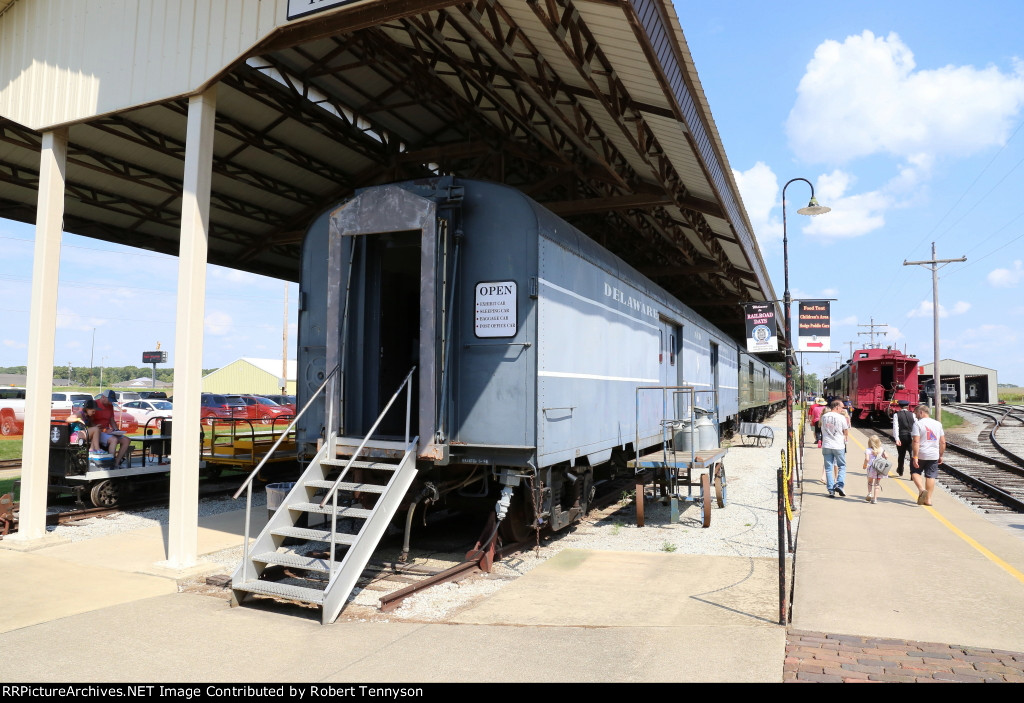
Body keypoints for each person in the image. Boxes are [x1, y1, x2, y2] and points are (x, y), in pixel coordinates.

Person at [911, 405, 945, 506]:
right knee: (930, 476)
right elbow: (943, 442)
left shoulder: (917, 424)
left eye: (917, 413)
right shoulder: (938, 424)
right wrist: (941, 455)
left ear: (921, 412)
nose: (916, 415)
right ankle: (928, 500)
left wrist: (915, 456)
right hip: (934, 455)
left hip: (921, 453)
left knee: (915, 472)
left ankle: (921, 490)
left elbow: (916, 441)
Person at [94, 390, 131, 467]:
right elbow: (91, 423)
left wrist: (116, 430)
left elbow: (111, 420)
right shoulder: (95, 404)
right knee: (114, 439)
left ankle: (117, 462)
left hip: (108, 431)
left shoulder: (110, 406)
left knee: (126, 440)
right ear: (103, 397)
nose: (110, 403)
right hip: (97, 432)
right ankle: (110, 463)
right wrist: (103, 430)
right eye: (109, 400)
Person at [821, 399, 850, 498]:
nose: (842, 409)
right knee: (841, 466)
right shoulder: (841, 418)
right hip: (838, 445)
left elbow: (822, 428)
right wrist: (845, 439)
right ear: (837, 407)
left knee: (828, 468)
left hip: (826, 445)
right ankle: (839, 485)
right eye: (841, 407)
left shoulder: (824, 417)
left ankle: (831, 490)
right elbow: (845, 431)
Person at [862, 435, 890, 503]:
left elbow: (867, 459)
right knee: (877, 483)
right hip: (879, 469)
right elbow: (886, 456)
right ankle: (875, 499)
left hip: (871, 468)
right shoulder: (881, 449)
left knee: (870, 481)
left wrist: (865, 465)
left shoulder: (868, 450)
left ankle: (870, 493)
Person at [891, 400, 915, 477]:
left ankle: (900, 470)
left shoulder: (896, 415)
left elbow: (896, 427)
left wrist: (897, 439)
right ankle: (912, 473)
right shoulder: (913, 415)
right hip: (911, 437)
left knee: (901, 454)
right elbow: (916, 426)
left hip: (901, 437)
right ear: (907, 406)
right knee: (912, 455)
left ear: (899, 406)